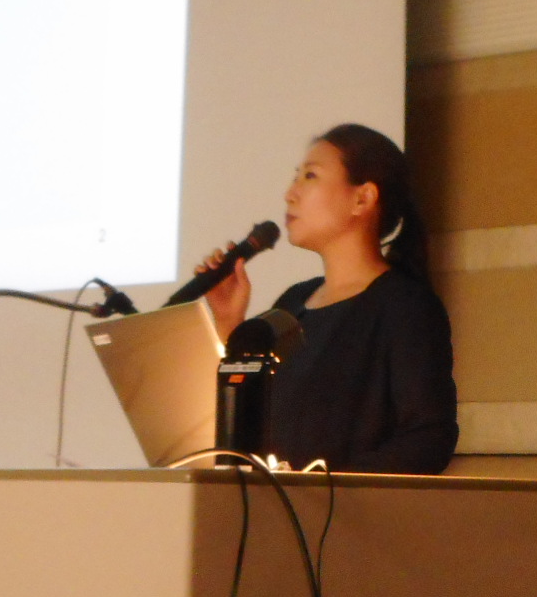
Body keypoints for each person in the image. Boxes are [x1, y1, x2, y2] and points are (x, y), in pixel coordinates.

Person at [194, 123, 458, 474]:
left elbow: (428, 437)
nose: (290, 194)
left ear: (362, 198)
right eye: (296, 177)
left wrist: (329, 487)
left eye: (310, 176)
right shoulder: (293, 303)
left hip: (344, 508)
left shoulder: (405, 306)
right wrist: (230, 324)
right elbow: (251, 423)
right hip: (277, 505)